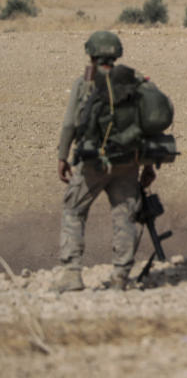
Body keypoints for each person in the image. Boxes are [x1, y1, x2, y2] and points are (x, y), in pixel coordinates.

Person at [54, 31, 156, 292]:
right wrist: (148, 166)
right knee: (125, 216)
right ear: (116, 52)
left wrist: (62, 157)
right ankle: (121, 276)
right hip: (128, 162)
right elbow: (149, 126)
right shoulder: (134, 82)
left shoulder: (85, 83)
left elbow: (70, 124)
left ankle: (71, 273)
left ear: (91, 54)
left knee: (74, 210)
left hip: (93, 164)